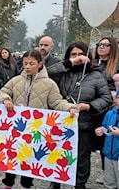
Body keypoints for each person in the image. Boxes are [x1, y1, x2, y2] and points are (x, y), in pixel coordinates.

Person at [0, 50, 78, 189]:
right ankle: (8, 184)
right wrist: (5, 99)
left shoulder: (49, 84)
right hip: (17, 128)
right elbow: (3, 92)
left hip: (36, 129)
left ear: (40, 64)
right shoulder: (16, 80)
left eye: (31, 64)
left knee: (30, 157)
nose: (27, 67)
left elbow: (57, 102)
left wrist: (69, 108)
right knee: (12, 155)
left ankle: (26, 185)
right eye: (25, 63)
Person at [47, 41, 112, 189]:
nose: (78, 57)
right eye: (73, 54)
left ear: (87, 55)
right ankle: (55, 182)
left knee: (82, 157)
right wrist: (69, 63)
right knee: (57, 153)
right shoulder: (62, 71)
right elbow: (45, 73)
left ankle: (80, 185)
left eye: (80, 54)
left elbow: (106, 98)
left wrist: (89, 106)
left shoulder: (96, 75)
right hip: (62, 120)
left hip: (84, 122)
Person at [92, 37, 119, 184]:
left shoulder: (116, 66)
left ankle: (107, 172)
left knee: (107, 139)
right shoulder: (92, 64)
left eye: (105, 45)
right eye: (99, 44)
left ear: (112, 47)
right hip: (93, 107)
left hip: (109, 108)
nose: (101, 47)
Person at [95, 91, 119, 189]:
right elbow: (105, 126)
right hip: (109, 153)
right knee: (109, 181)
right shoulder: (110, 114)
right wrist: (101, 130)